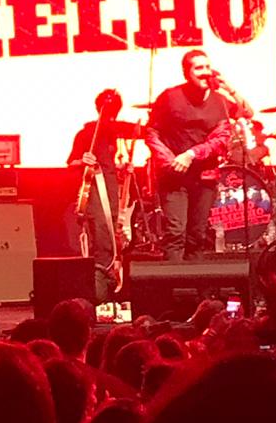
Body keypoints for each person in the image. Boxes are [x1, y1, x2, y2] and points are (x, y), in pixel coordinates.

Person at [145, 50, 251, 262]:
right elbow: (151, 132)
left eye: (207, 67)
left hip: (205, 177)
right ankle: (173, 280)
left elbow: (247, 113)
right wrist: (169, 161)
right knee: (176, 232)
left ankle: (194, 281)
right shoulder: (170, 97)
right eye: (199, 68)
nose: (205, 72)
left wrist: (229, 87)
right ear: (187, 73)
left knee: (197, 234)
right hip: (174, 176)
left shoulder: (220, 100)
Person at [66, 88, 129, 298]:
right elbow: (71, 163)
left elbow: (113, 163)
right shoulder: (87, 134)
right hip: (95, 191)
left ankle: (113, 279)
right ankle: (100, 284)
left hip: (113, 190)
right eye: (108, 110)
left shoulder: (116, 134)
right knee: (102, 232)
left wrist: (122, 168)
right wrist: (82, 160)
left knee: (115, 232)